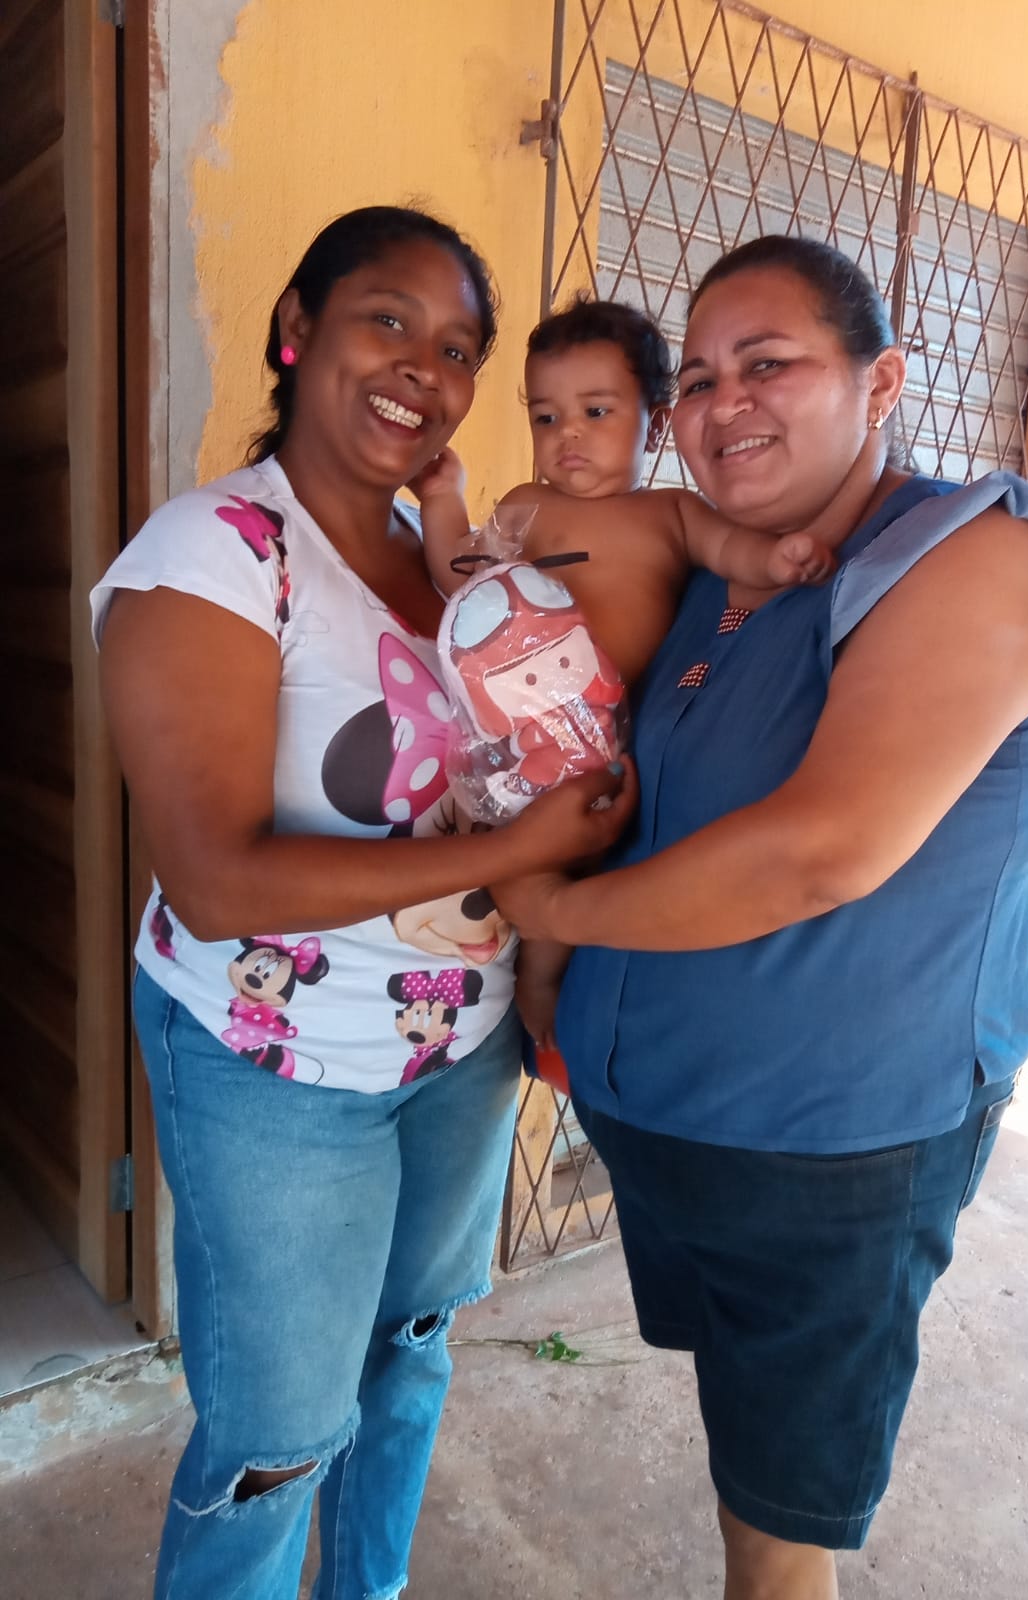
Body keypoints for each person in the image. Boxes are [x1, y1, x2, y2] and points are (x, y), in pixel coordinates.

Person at [490, 235, 1028, 1600]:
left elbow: (821, 854)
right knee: (745, 1451)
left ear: (881, 381)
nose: (724, 405)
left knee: (782, 1535)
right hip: (666, 1118)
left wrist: (556, 907)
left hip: (829, 1151)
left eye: (768, 364)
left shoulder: (974, 553)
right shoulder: (725, 566)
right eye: (699, 379)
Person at [91, 206, 635, 1600]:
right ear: (298, 326)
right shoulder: (215, 555)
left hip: (463, 1048)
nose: (423, 369)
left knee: (410, 1352)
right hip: (276, 1070)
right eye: (387, 319)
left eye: (456, 349)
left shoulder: (441, 554)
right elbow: (215, 881)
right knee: (278, 1439)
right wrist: (514, 853)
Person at [416, 297, 835, 1050]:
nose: (568, 435)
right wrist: (443, 497)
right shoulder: (528, 506)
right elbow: (462, 580)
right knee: (507, 869)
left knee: (588, 874)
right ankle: (505, 986)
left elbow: (732, 551)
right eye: (546, 418)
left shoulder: (671, 514)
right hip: (527, 742)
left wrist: (778, 559)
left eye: (597, 412)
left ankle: (550, 988)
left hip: (617, 745)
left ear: (657, 423)